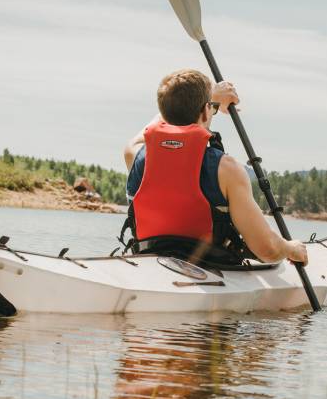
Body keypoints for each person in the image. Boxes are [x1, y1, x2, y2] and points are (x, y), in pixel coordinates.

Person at [120, 69, 307, 265]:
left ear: (164, 109)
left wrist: (209, 99)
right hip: (210, 266)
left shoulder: (135, 154)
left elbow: (152, 126)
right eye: (212, 108)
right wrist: (291, 248)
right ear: (206, 111)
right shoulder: (226, 169)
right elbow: (267, 250)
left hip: (148, 262)